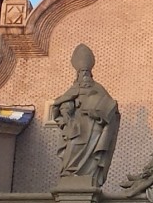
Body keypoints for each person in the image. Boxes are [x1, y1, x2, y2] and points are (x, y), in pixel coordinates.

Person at [51, 44, 120, 184]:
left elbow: (110, 108)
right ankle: (69, 173)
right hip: (76, 126)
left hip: (93, 127)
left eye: (87, 72)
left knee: (91, 154)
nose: (85, 75)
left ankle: (89, 175)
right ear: (77, 74)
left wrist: (98, 112)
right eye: (82, 72)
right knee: (73, 147)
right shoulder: (73, 89)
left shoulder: (98, 88)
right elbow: (62, 104)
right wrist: (66, 111)